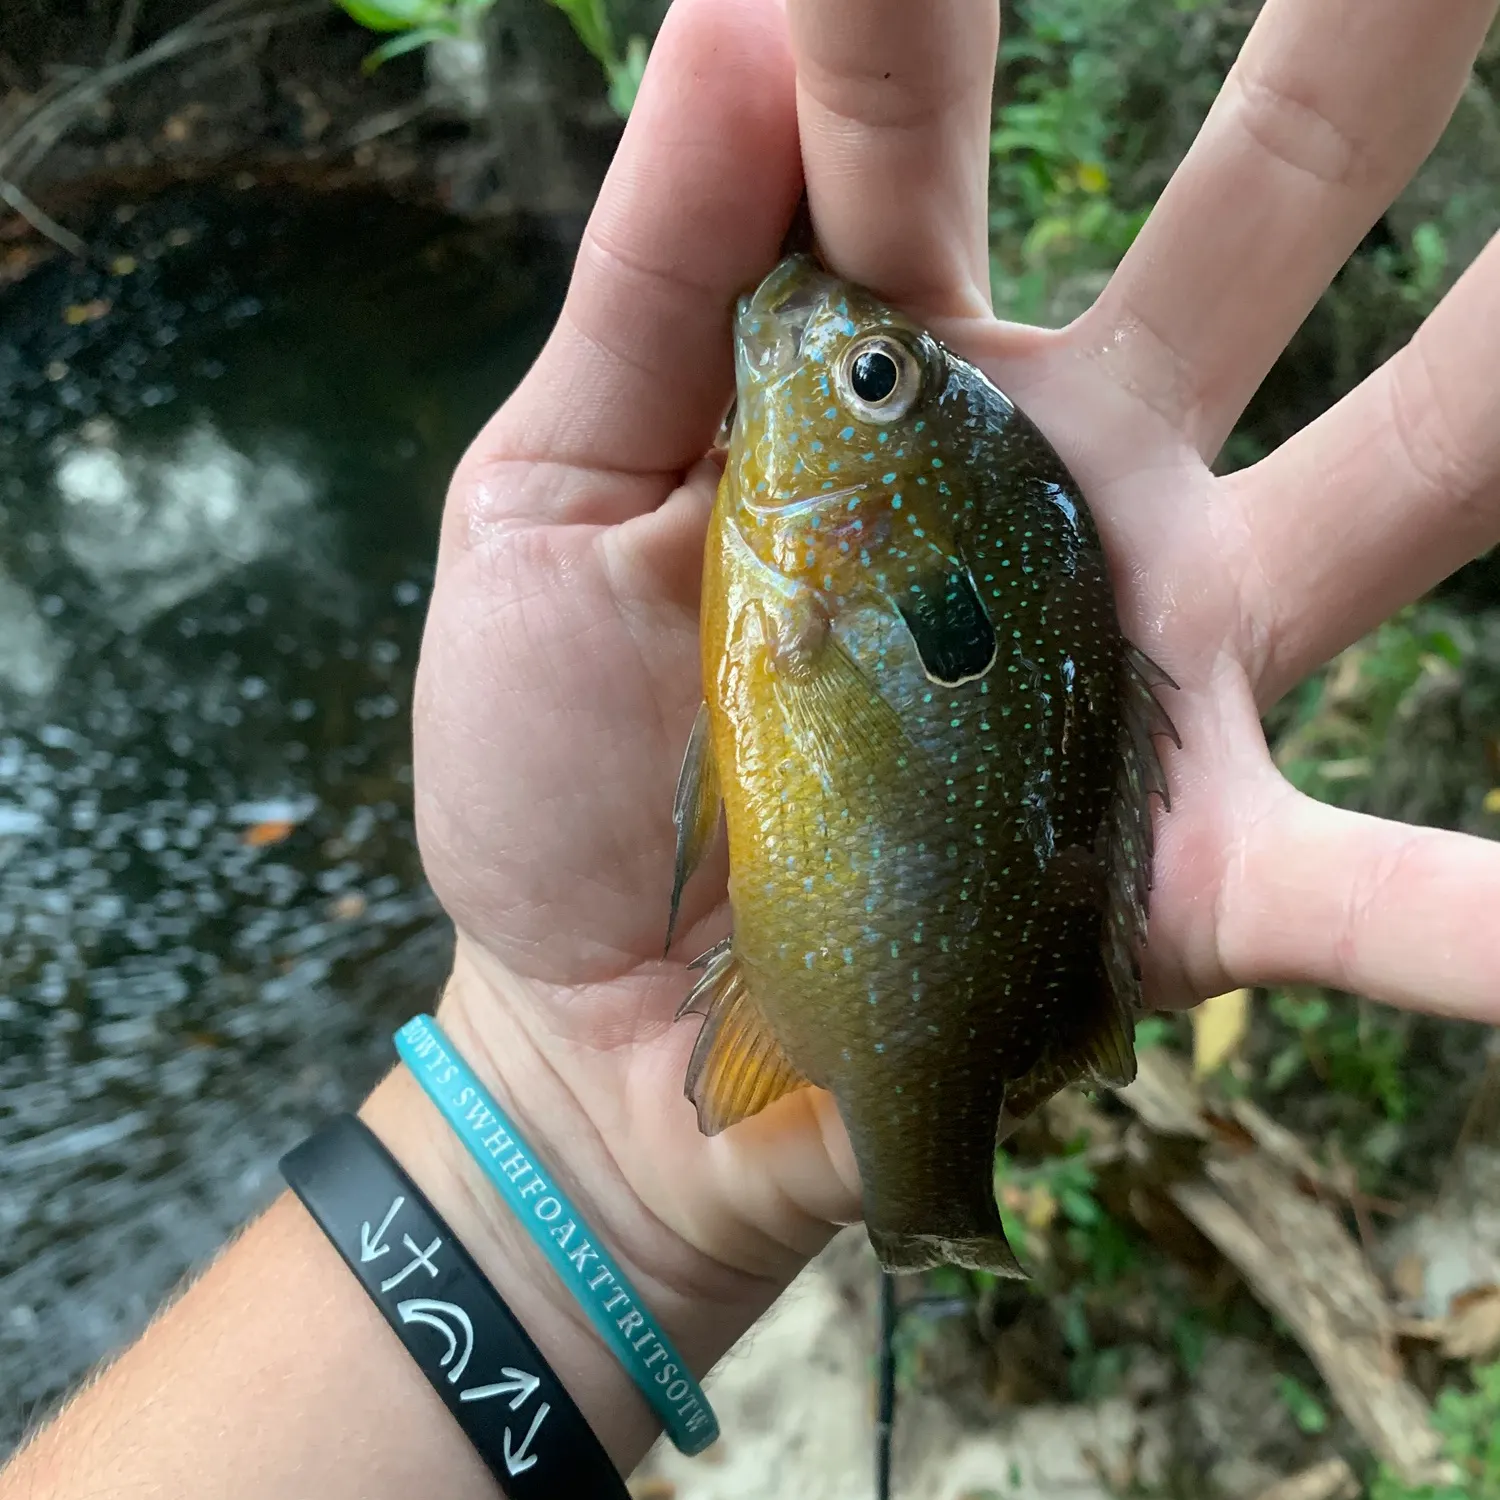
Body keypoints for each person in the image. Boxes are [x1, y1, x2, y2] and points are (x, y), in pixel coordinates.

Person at [7, 0, 1500, 1492]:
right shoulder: (823, 557)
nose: (833, 345)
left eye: (873, 382)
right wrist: (548, 1104)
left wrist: (552, 1138)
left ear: (885, 504)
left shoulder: (826, 565)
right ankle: (931, 1175)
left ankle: (928, 1173)